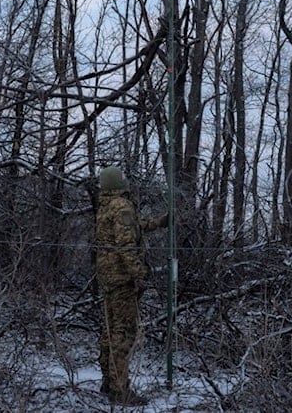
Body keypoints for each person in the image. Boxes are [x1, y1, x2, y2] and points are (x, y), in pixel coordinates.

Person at [94, 166, 168, 406]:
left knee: (110, 329)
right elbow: (125, 245)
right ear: (119, 183)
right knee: (123, 333)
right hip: (122, 278)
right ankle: (119, 389)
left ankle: (108, 382)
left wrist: (160, 222)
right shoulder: (122, 206)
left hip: (108, 277)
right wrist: (140, 273)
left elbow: (134, 227)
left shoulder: (107, 205)